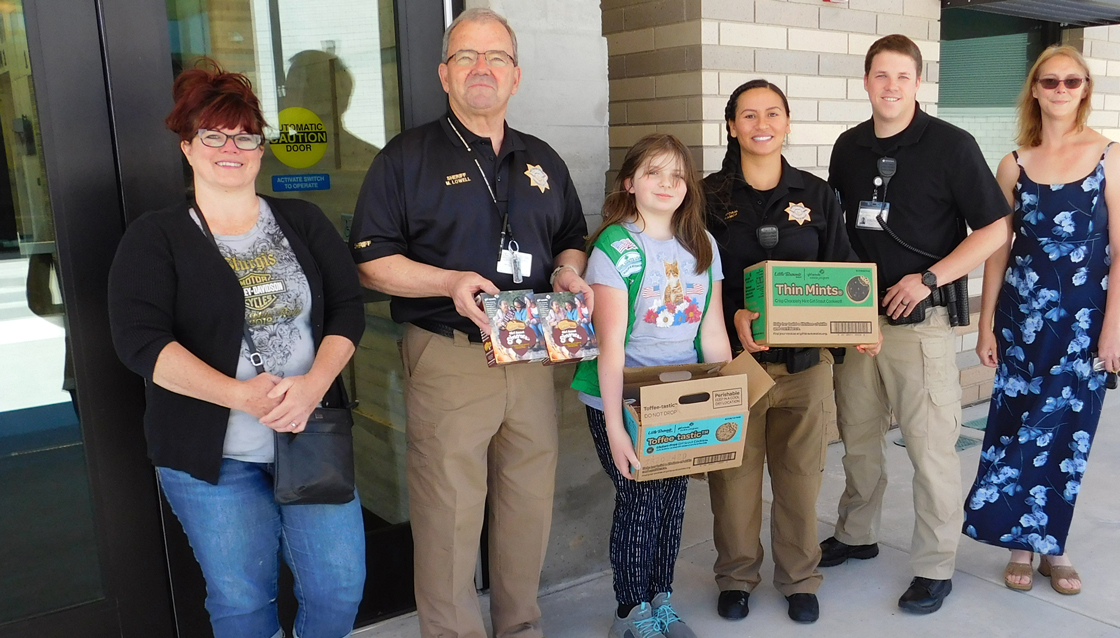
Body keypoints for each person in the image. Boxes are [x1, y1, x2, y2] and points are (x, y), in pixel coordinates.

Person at [348, 9, 590, 638]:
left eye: (496, 58)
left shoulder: (542, 159)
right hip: (450, 354)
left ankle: (520, 627)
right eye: (466, 57)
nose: (482, 69)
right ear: (444, 74)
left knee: (527, 503)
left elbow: (571, 235)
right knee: (448, 512)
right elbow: (370, 262)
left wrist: (567, 271)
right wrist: (447, 282)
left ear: (516, 75)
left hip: (532, 353)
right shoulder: (406, 159)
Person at [107, 62, 366, 638]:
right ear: (188, 146)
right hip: (212, 458)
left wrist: (314, 385)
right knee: (243, 604)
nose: (232, 147)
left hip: (309, 438)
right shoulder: (155, 237)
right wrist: (239, 396)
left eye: (245, 135)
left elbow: (347, 308)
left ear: (260, 146)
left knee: (338, 588)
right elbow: (141, 343)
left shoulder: (302, 219)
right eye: (213, 135)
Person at [824, 34, 1012, 614]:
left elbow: (995, 229)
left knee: (930, 450)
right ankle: (857, 534)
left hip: (921, 324)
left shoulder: (953, 145)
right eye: (881, 75)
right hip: (857, 326)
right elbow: (838, 231)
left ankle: (934, 566)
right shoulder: (848, 147)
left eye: (902, 76)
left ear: (918, 83)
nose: (891, 86)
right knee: (858, 440)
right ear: (865, 82)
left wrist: (928, 278)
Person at [701, 79, 879, 625]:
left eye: (772, 113)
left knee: (801, 478)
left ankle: (800, 577)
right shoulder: (707, 197)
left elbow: (843, 268)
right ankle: (736, 577)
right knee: (734, 480)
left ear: (787, 122)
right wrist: (734, 316)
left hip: (805, 367)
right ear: (731, 125)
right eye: (748, 115)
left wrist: (858, 323)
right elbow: (695, 278)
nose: (761, 124)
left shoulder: (817, 194)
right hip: (737, 365)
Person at [963, 45, 1120, 596]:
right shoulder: (1013, 162)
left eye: (1072, 82)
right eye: (1050, 81)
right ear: (1034, 89)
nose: (1061, 90)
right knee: (1014, 430)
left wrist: (1112, 329)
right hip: (1021, 322)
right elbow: (997, 249)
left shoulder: (1112, 155)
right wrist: (985, 322)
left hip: (1084, 327)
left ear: (1085, 90)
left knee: (1066, 434)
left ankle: (1053, 545)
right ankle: (1020, 542)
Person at [571, 132, 731, 638]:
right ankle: (630, 612)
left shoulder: (702, 244)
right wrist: (617, 427)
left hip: (679, 396)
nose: (666, 183)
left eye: (677, 175)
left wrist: (727, 403)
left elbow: (712, 329)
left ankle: (661, 599)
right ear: (629, 182)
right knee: (640, 500)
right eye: (653, 173)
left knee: (673, 499)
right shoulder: (615, 247)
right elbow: (610, 345)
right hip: (623, 398)